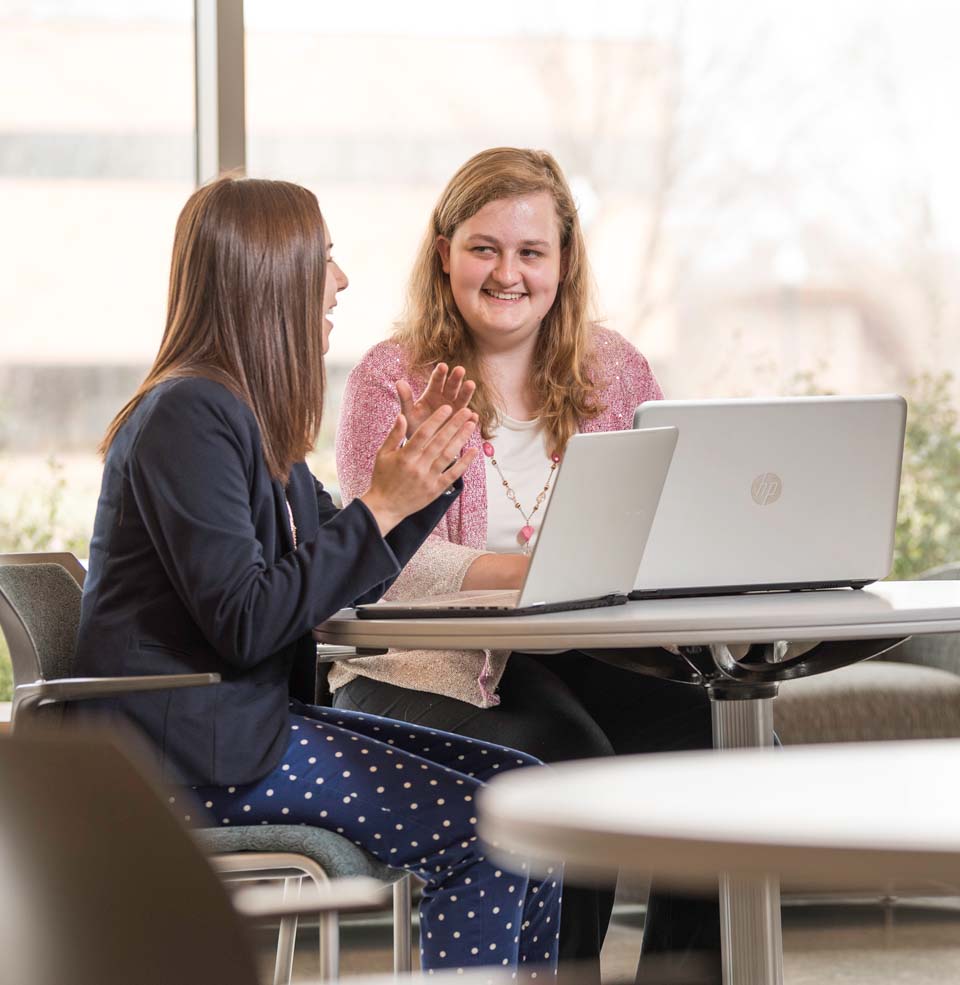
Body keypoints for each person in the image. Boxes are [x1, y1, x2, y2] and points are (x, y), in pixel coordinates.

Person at [71, 175, 561, 978]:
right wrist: (381, 502)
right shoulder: (186, 417)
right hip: (182, 757)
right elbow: (248, 619)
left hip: (243, 731)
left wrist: (420, 482)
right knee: (496, 823)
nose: (339, 280)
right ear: (269, 275)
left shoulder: (256, 424)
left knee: (531, 794)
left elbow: (347, 575)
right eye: (324, 259)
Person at [332, 148, 721, 981]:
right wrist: (518, 572)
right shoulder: (390, 377)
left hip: (587, 651)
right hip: (431, 664)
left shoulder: (614, 371)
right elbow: (379, 560)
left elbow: (653, 522)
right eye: (484, 247)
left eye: (531, 251)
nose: (507, 272)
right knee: (571, 760)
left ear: (563, 262)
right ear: (444, 252)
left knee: (718, 743)